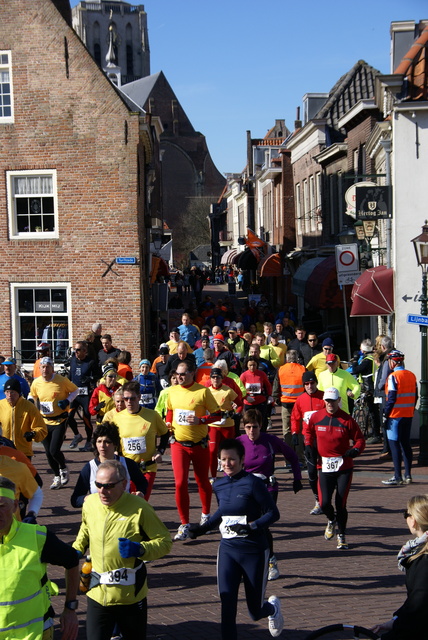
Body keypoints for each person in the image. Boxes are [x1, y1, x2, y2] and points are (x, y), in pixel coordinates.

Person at [187, 439, 284, 639]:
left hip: (254, 551)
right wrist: (201, 529)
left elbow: (273, 514)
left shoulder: (253, 483)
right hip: (228, 550)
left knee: (254, 611)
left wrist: (251, 526)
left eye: (232, 459)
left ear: (241, 460)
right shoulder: (220, 485)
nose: (227, 464)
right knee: (227, 603)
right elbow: (222, 513)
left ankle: (272, 609)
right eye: (223, 460)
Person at [73, 460, 172, 640]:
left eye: (109, 486)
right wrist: (76, 549)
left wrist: (140, 549)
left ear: (124, 484)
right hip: (98, 593)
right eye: (98, 485)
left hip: (130, 597)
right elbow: (86, 528)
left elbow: (165, 542)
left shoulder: (140, 508)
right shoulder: (90, 504)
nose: (102, 491)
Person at [0, 476, 79, 640]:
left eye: (2, 506)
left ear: (15, 506)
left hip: (33, 634)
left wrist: (70, 609)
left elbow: (71, 560)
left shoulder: (37, 537)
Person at [237, 409, 302, 581]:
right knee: (247, 526)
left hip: (268, 489)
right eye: (248, 427)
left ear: (261, 426)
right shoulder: (239, 442)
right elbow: (228, 464)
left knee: (262, 525)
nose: (252, 431)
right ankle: (250, 562)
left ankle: (271, 561)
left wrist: (297, 479)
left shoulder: (270, 441)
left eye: (255, 427)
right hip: (247, 490)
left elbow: (293, 457)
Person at [304, 387, 365, 550]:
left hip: (343, 467)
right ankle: (331, 520)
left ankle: (342, 535)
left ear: (339, 401)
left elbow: (360, 439)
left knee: (341, 503)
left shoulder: (347, 420)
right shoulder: (316, 417)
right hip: (324, 466)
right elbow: (308, 432)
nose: (330, 404)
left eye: (333, 400)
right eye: (328, 401)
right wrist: (308, 445)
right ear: (325, 401)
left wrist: (356, 450)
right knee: (324, 503)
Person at [166, 360, 220, 540]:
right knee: (180, 483)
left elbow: (217, 414)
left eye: (182, 374)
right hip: (179, 444)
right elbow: (170, 411)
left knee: (202, 481)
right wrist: (168, 422)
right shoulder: (172, 391)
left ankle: (206, 516)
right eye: (177, 374)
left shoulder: (202, 391)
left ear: (191, 374)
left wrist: (201, 420)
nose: (179, 378)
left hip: (199, 444)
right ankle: (184, 524)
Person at [371, 494, 428, 639]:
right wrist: (393, 621)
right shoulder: (420, 554)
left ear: (413, 521)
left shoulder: (423, 561)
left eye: (406, 514)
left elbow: (418, 607)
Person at [111, 381, 169, 501]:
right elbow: (113, 438)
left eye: (132, 399)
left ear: (139, 397)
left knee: (141, 501)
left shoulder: (152, 415)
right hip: (126, 468)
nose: (128, 402)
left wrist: (160, 451)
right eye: (125, 399)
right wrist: (115, 450)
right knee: (126, 503)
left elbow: (165, 433)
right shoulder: (117, 418)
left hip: (147, 467)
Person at [70, 422, 148, 507]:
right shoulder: (89, 468)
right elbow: (75, 500)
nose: (102, 445)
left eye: (107, 442)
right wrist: (87, 499)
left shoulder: (127, 464)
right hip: (99, 517)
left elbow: (142, 483)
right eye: (99, 441)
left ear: (115, 444)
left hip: (124, 514)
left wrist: (140, 493)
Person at [29, 357, 79, 490]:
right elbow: (32, 395)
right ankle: (56, 476)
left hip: (59, 420)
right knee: (47, 452)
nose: (45, 369)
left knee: (54, 450)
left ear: (52, 368)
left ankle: (63, 468)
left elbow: (75, 390)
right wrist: (31, 404)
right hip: (44, 421)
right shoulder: (36, 382)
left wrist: (67, 401)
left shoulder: (61, 380)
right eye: (43, 367)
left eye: (47, 367)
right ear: (39, 369)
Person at [381, 350, 417, 486]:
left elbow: (391, 398)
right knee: (406, 444)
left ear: (393, 362)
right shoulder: (411, 375)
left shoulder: (393, 377)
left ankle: (397, 476)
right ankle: (408, 475)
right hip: (408, 414)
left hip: (395, 415)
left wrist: (385, 413)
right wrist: (411, 409)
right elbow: (416, 396)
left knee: (394, 444)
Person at [291, 370, 325, 514]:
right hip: (308, 441)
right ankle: (317, 501)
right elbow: (295, 417)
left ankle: (326, 500)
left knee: (325, 472)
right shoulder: (300, 400)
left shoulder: (323, 397)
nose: (310, 386)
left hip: (323, 440)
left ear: (316, 383)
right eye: (307, 384)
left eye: (312, 383)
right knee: (311, 473)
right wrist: (294, 433)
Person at [206, 368, 242, 479]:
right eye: (213, 377)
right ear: (210, 379)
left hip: (227, 425)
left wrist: (236, 413)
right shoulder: (206, 391)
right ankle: (213, 477)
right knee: (212, 452)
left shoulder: (228, 390)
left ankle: (228, 476)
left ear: (222, 378)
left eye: (218, 377)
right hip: (213, 426)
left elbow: (240, 404)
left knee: (228, 452)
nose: (215, 379)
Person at [0, 377, 47, 459]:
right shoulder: (1, 405)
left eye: (13, 392)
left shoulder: (29, 407)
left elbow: (42, 429)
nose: (10, 395)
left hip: (23, 452)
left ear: (19, 393)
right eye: (7, 392)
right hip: (4, 451)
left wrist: (33, 434)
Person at [348, 338, 381, 444]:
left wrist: (354, 361)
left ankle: (375, 435)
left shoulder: (367, 361)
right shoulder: (374, 358)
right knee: (373, 411)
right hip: (374, 388)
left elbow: (355, 370)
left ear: (363, 350)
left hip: (369, 389)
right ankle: (374, 433)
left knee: (372, 412)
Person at [68, 340, 98, 451]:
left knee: (86, 418)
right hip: (74, 393)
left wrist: (90, 378)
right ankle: (77, 435)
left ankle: (89, 440)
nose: (76, 352)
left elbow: (98, 375)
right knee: (69, 416)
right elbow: (70, 375)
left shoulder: (90, 362)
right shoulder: (73, 361)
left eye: (78, 350)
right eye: (75, 350)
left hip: (86, 394)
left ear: (85, 351)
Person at [273, 350, 305, 446]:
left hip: (286, 404)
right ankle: (300, 456)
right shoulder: (303, 369)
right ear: (297, 359)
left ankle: (288, 455)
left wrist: (277, 400)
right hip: (299, 405)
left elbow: (275, 387)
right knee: (299, 429)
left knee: (287, 430)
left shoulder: (281, 369)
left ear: (286, 359)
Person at [240, 356, 273, 430]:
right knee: (248, 420)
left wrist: (270, 396)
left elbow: (268, 385)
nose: (252, 367)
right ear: (247, 365)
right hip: (248, 402)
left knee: (262, 420)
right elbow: (240, 389)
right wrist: (245, 397)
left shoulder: (261, 374)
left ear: (257, 365)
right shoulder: (244, 375)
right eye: (250, 365)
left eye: (254, 365)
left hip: (260, 401)